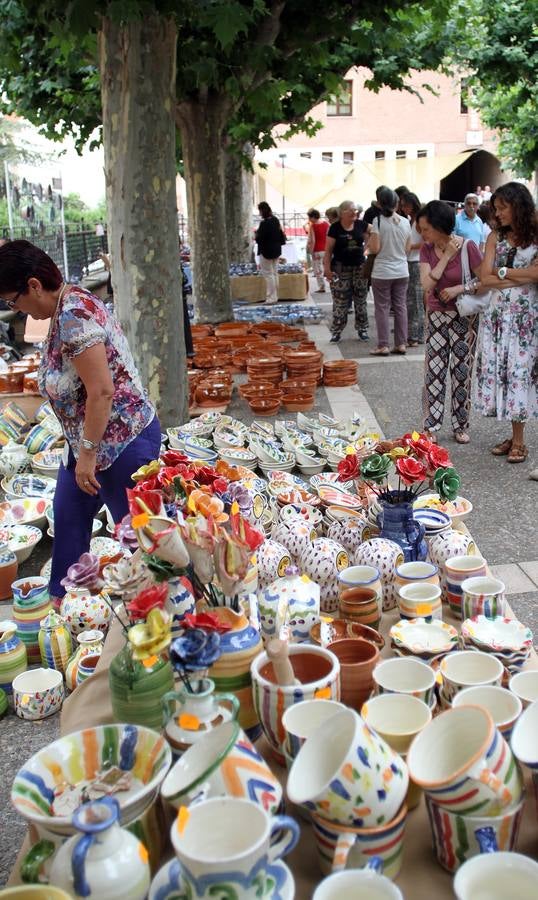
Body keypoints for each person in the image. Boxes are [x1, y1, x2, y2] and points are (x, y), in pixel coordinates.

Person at [0, 240, 161, 604]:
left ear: (34, 286)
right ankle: (67, 605)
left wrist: (87, 455)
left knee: (139, 541)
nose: (15, 309)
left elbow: (102, 391)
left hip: (122, 442)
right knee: (69, 516)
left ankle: (162, 620)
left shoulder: (73, 316)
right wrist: (81, 448)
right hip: (88, 440)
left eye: (13, 301)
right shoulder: (63, 305)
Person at [474, 182, 538, 464]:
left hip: (525, 319)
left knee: (519, 373)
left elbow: (537, 275)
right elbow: (484, 278)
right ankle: (514, 436)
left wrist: (503, 273)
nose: (497, 213)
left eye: (502, 207)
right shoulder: (493, 237)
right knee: (505, 372)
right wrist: (520, 274)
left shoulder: (535, 236)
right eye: (495, 208)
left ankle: (520, 441)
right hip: (498, 316)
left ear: (518, 206)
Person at [418, 201, 483, 443]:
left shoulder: (469, 247)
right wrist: (446, 256)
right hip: (436, 316)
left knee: (461, 371)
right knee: (433, 372)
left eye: (426, 229)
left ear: (440, 226)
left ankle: (460, 425)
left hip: (463, 317)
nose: (423, 234)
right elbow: (426, 285)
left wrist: (459, 288)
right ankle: (431, 425)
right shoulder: (427, 250)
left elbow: (484, 281)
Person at [368, 187, 411, 356]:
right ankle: (401, 343)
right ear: (396, 203)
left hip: (382, 271)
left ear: (380, 202)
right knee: (401, 307)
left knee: (382, 308)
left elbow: (374, 248)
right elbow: (407, 248)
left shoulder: (377, 221)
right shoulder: (406, 222)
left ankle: (383, 345)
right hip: (402, 270)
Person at [323, 200, 370, 343]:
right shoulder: (335, 228)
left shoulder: (361, 225)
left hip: (360, 268)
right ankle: (336, 331)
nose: (355, 213)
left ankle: (362, 329)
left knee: (361, 300)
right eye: (352, 210)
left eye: (356, 210)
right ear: (342, 212)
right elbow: (328, 251)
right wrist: (327, 269)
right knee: (340, 301)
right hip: (340, 268)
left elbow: (375, 231)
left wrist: (368, 248)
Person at [400, 192, 424, 347]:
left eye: (405, 205)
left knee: (415, 300)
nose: (403, 208)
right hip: (409, 261)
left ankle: (416, 335)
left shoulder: (420, 220)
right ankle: (415, 334)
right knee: (411, 300)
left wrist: (409, 247)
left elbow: (427, 242)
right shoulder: (411, 220)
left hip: (416, 262)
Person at [255, 201, 286, 305]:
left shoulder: (264, 224)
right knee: (274, 273)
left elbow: (260, 239)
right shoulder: (275, 220)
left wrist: (256, 235)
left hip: (266, 251)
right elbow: (280, 234)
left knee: (268, 275)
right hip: (276, 250)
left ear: (262, 211)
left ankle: (271, 298)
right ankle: (275, 296)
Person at [306, 208, 329, 292]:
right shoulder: (326, 224)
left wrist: (311, 252)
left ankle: (322, 286)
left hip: (317, 250)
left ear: (313, 217)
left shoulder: (313, 226)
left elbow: (313, 240)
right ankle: (331, 283)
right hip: (326, 249)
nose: (309, 219)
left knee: (318, 269)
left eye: (309, 217)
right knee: (325, 267)